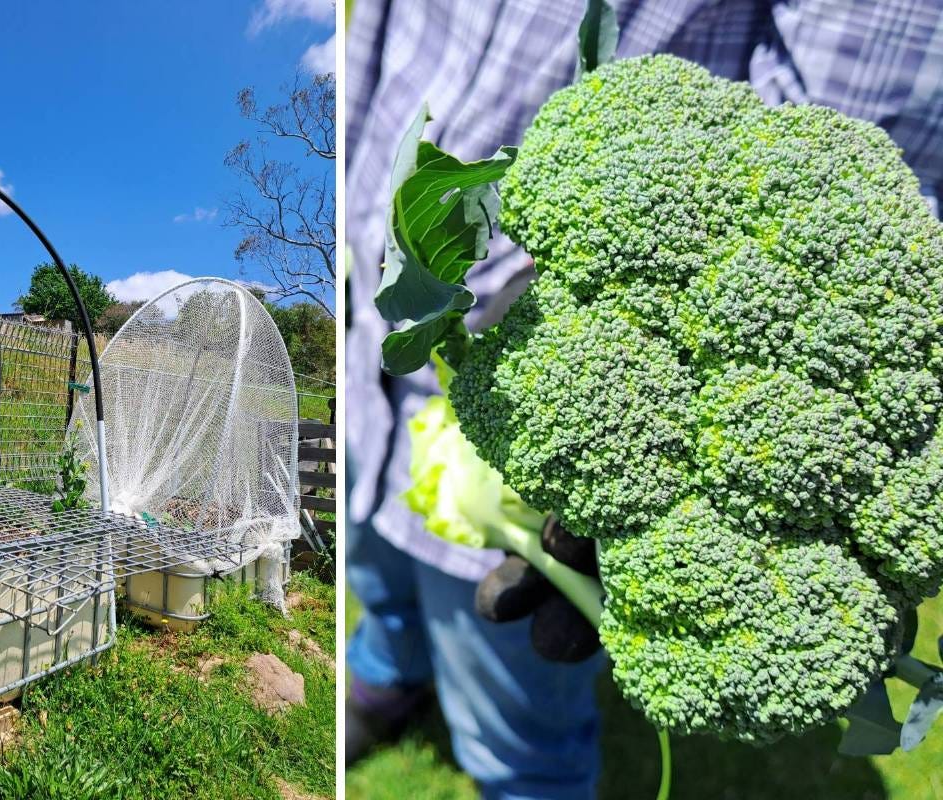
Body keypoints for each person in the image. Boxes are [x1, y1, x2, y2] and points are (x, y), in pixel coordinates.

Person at [344, 1, 943, 797]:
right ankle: (386, 673)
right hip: (367, 348)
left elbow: (853, 160)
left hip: (558, 411)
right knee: (376, 571)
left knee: (517, 729)